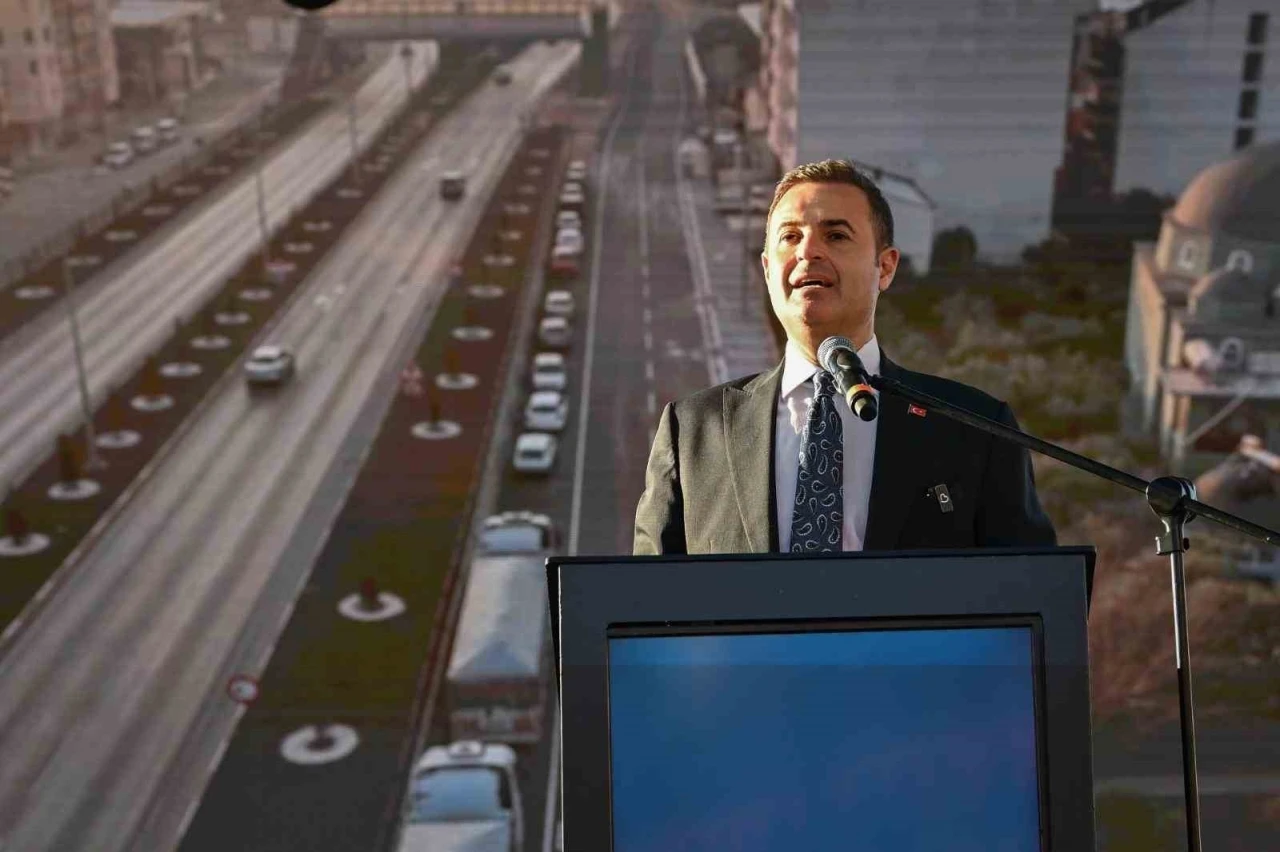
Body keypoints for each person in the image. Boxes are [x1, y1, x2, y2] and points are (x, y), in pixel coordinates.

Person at [634, 159, 1056, 555]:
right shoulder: (692, 433)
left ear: (885, 267)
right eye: (790, 237)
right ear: (766, 269)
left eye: (835, 236)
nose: (808, 252)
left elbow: (1031, 589)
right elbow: (645, 597)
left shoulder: (975, 430)